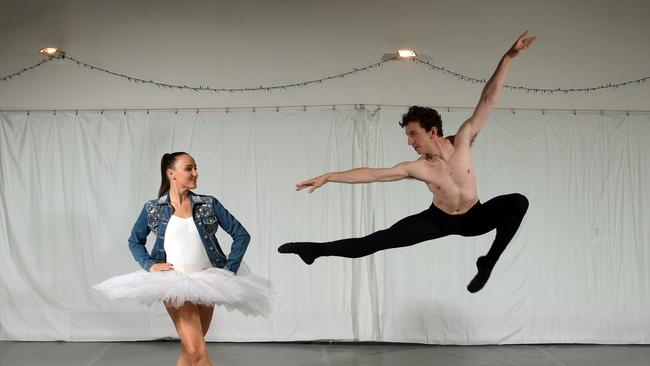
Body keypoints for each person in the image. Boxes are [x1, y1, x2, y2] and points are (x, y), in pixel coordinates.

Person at [278, 32, 535, 293]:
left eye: (413, 134)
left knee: (518, 202)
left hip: (474, 218)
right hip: (438, 220)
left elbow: (488, 100)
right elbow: (373, 174)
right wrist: (329, 176)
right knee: (378, 240)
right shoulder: (418, 167)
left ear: (432, 131)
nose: (410, 142)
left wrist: (508, 57)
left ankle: (488, 262)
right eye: (408, 136)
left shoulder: (464, 140)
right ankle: (314, 250)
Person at [95, 152, 270, 366]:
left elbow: (242, 235)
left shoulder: (209, 204)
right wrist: (149, 265)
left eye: (196, 168)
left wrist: (228, 270)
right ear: (172, 174)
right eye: (189, 168)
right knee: (197, 351)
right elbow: (135, 240)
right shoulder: (153, 208)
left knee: (190, 352)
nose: (195, 173)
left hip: (209, 281)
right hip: (174, 283)